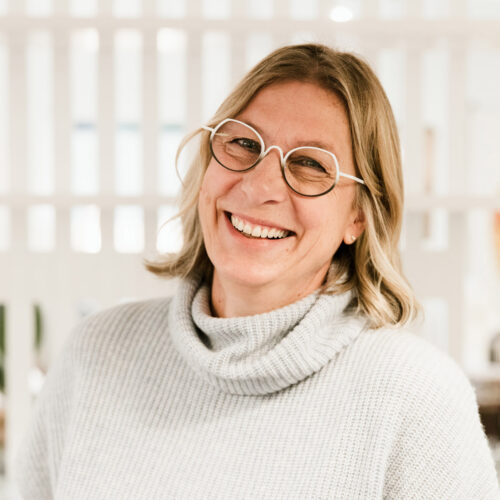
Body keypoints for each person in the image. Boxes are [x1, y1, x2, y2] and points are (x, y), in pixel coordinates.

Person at [15, 43, 500, 499]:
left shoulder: (416, 395)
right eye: (243, 144)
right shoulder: (95, 355)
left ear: (359, 216)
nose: (259, 186)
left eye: (311, 164)